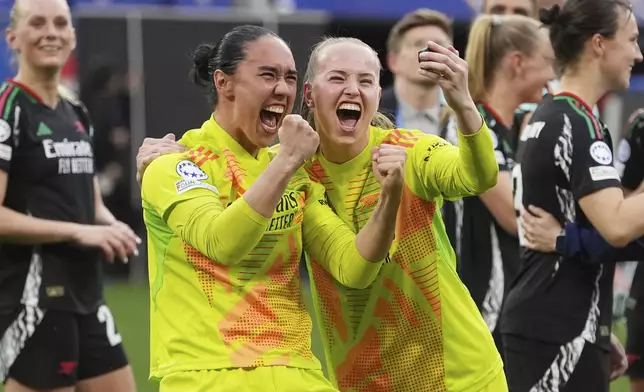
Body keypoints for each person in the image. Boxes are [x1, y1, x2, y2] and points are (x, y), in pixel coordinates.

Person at [137, 36, 505, 391]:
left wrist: (461, 103)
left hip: (454, 372)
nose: (353, 90)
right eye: (338, 78)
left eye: (366, 81)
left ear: (378, 94)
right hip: (355, 378)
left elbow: (478, 176)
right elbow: (223, 240)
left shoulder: (405, 150)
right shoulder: (291, 169)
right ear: (312, 96)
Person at [503, 1, 644, 390]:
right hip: (555, 328)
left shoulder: (562, 114)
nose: (638, 53)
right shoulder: (573, 121)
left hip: (567, 326)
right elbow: (617, 226)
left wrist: (597, 329)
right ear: (598, 44)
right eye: (631, 40)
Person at [0, 0, 139, 391]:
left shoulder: (75, 109)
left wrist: (113, 227)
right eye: (38, 22)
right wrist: (79, 233)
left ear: (72, 36)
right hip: (34, 300)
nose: (51, 31)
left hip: (86, 295)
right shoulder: (7, 111)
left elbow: (90, 205)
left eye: (61, 23)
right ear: (13, 37)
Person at [441, 13, 555, 350]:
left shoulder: (523, 125)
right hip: (478, 313)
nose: (553, 75)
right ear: (517, 63)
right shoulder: (470, 126)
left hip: (517, 309)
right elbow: (514, 216)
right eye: (548, 62)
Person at [379, 9, 451, 135]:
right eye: (418, 44)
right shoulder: (373, 111)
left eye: (439, 44)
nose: (429, 51)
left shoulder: (463, 116)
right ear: (393, 61)